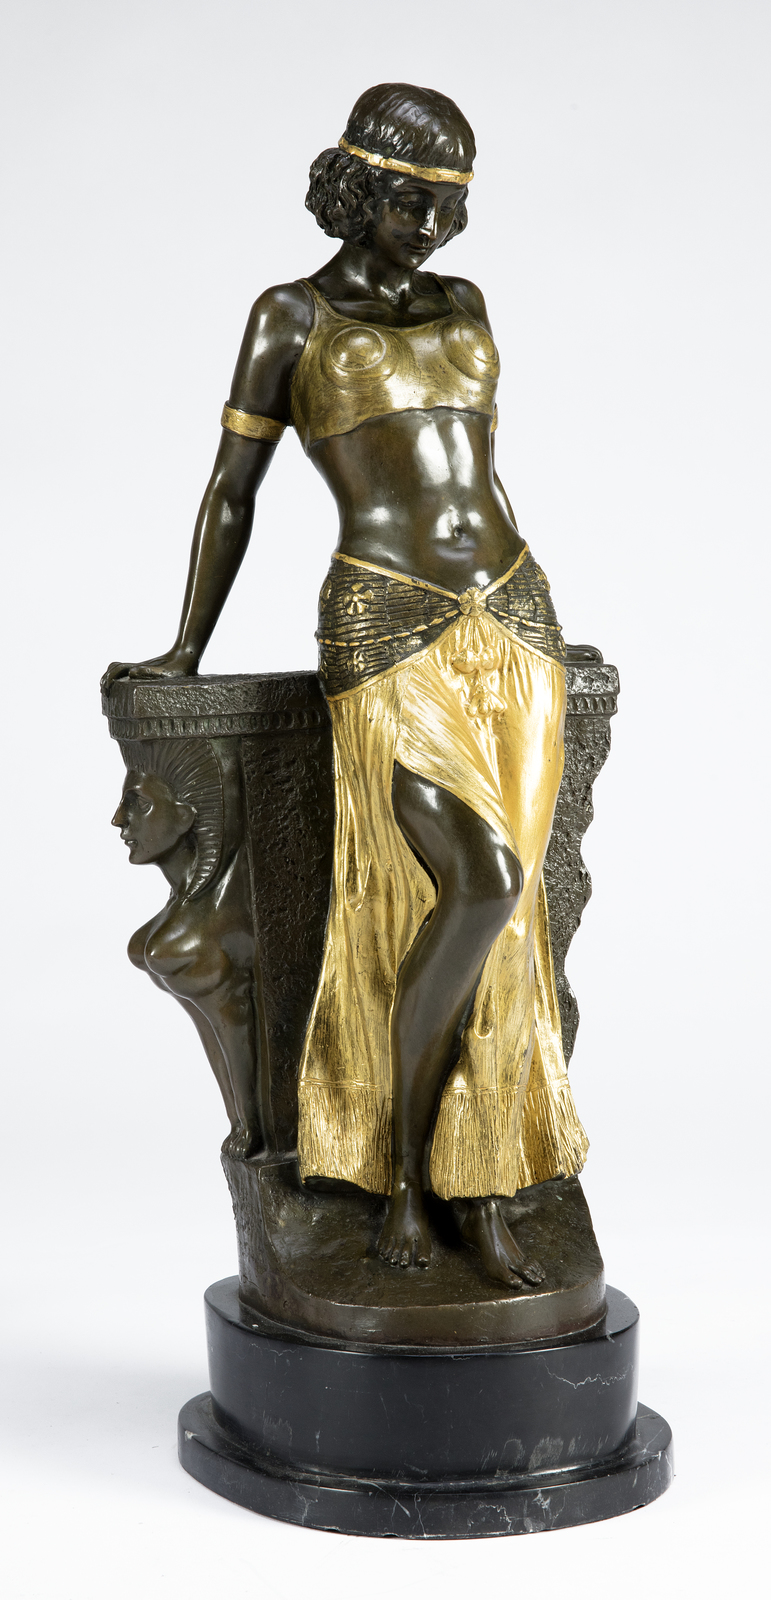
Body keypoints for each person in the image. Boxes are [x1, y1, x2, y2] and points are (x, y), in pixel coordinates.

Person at [103, 83, 588, 1288]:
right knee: (479, 881)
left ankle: (484, 1182)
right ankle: (404, 1176)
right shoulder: (291, 316)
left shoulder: (466, 303)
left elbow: (483, 475)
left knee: (511, 920)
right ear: (357, 185)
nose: (434, 228)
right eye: (413, 201)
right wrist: (183, 647)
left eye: (451, 207)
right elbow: (233, 491)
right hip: (387, 623)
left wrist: (547, 632)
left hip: (515, 615)